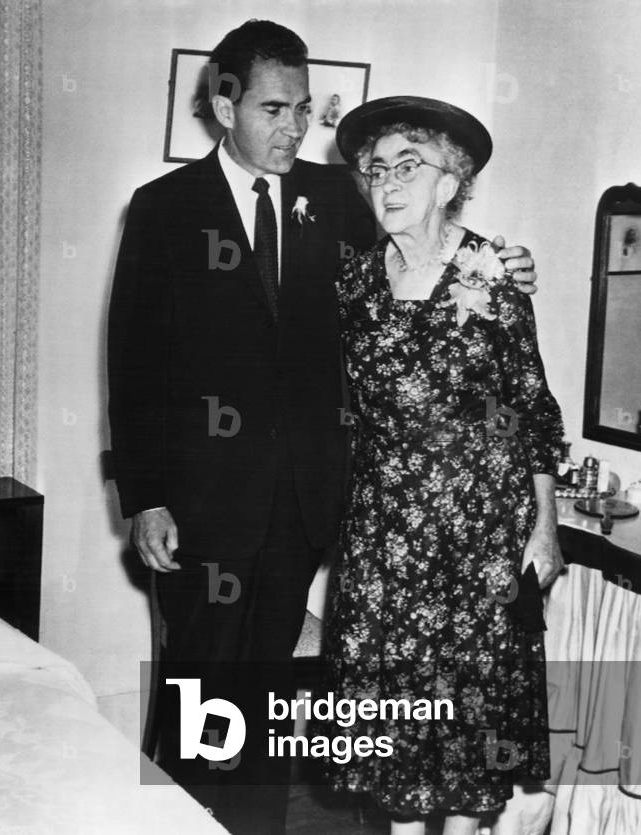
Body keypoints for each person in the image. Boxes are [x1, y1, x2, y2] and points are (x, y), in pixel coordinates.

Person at [107, 21, 538, 832]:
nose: (294, 128)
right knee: (199, 688)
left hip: (304, 501)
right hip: (201, 504)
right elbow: (133, 364)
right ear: (221, 102)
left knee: (269, 695)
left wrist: (507, 265)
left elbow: (427, 259)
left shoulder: (339, 197)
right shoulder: (165, 209)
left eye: (305, 110)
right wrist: (146, 495)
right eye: (273, 108)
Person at [321, 96, 565, 835]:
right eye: (373, 169)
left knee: (469, 731)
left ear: (449, 179)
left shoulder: (492, 274)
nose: (386, 182)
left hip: (480, 534)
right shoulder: (354, 283)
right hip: (385, 539)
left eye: (407, 165)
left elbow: (531, 410)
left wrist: (544, 528)